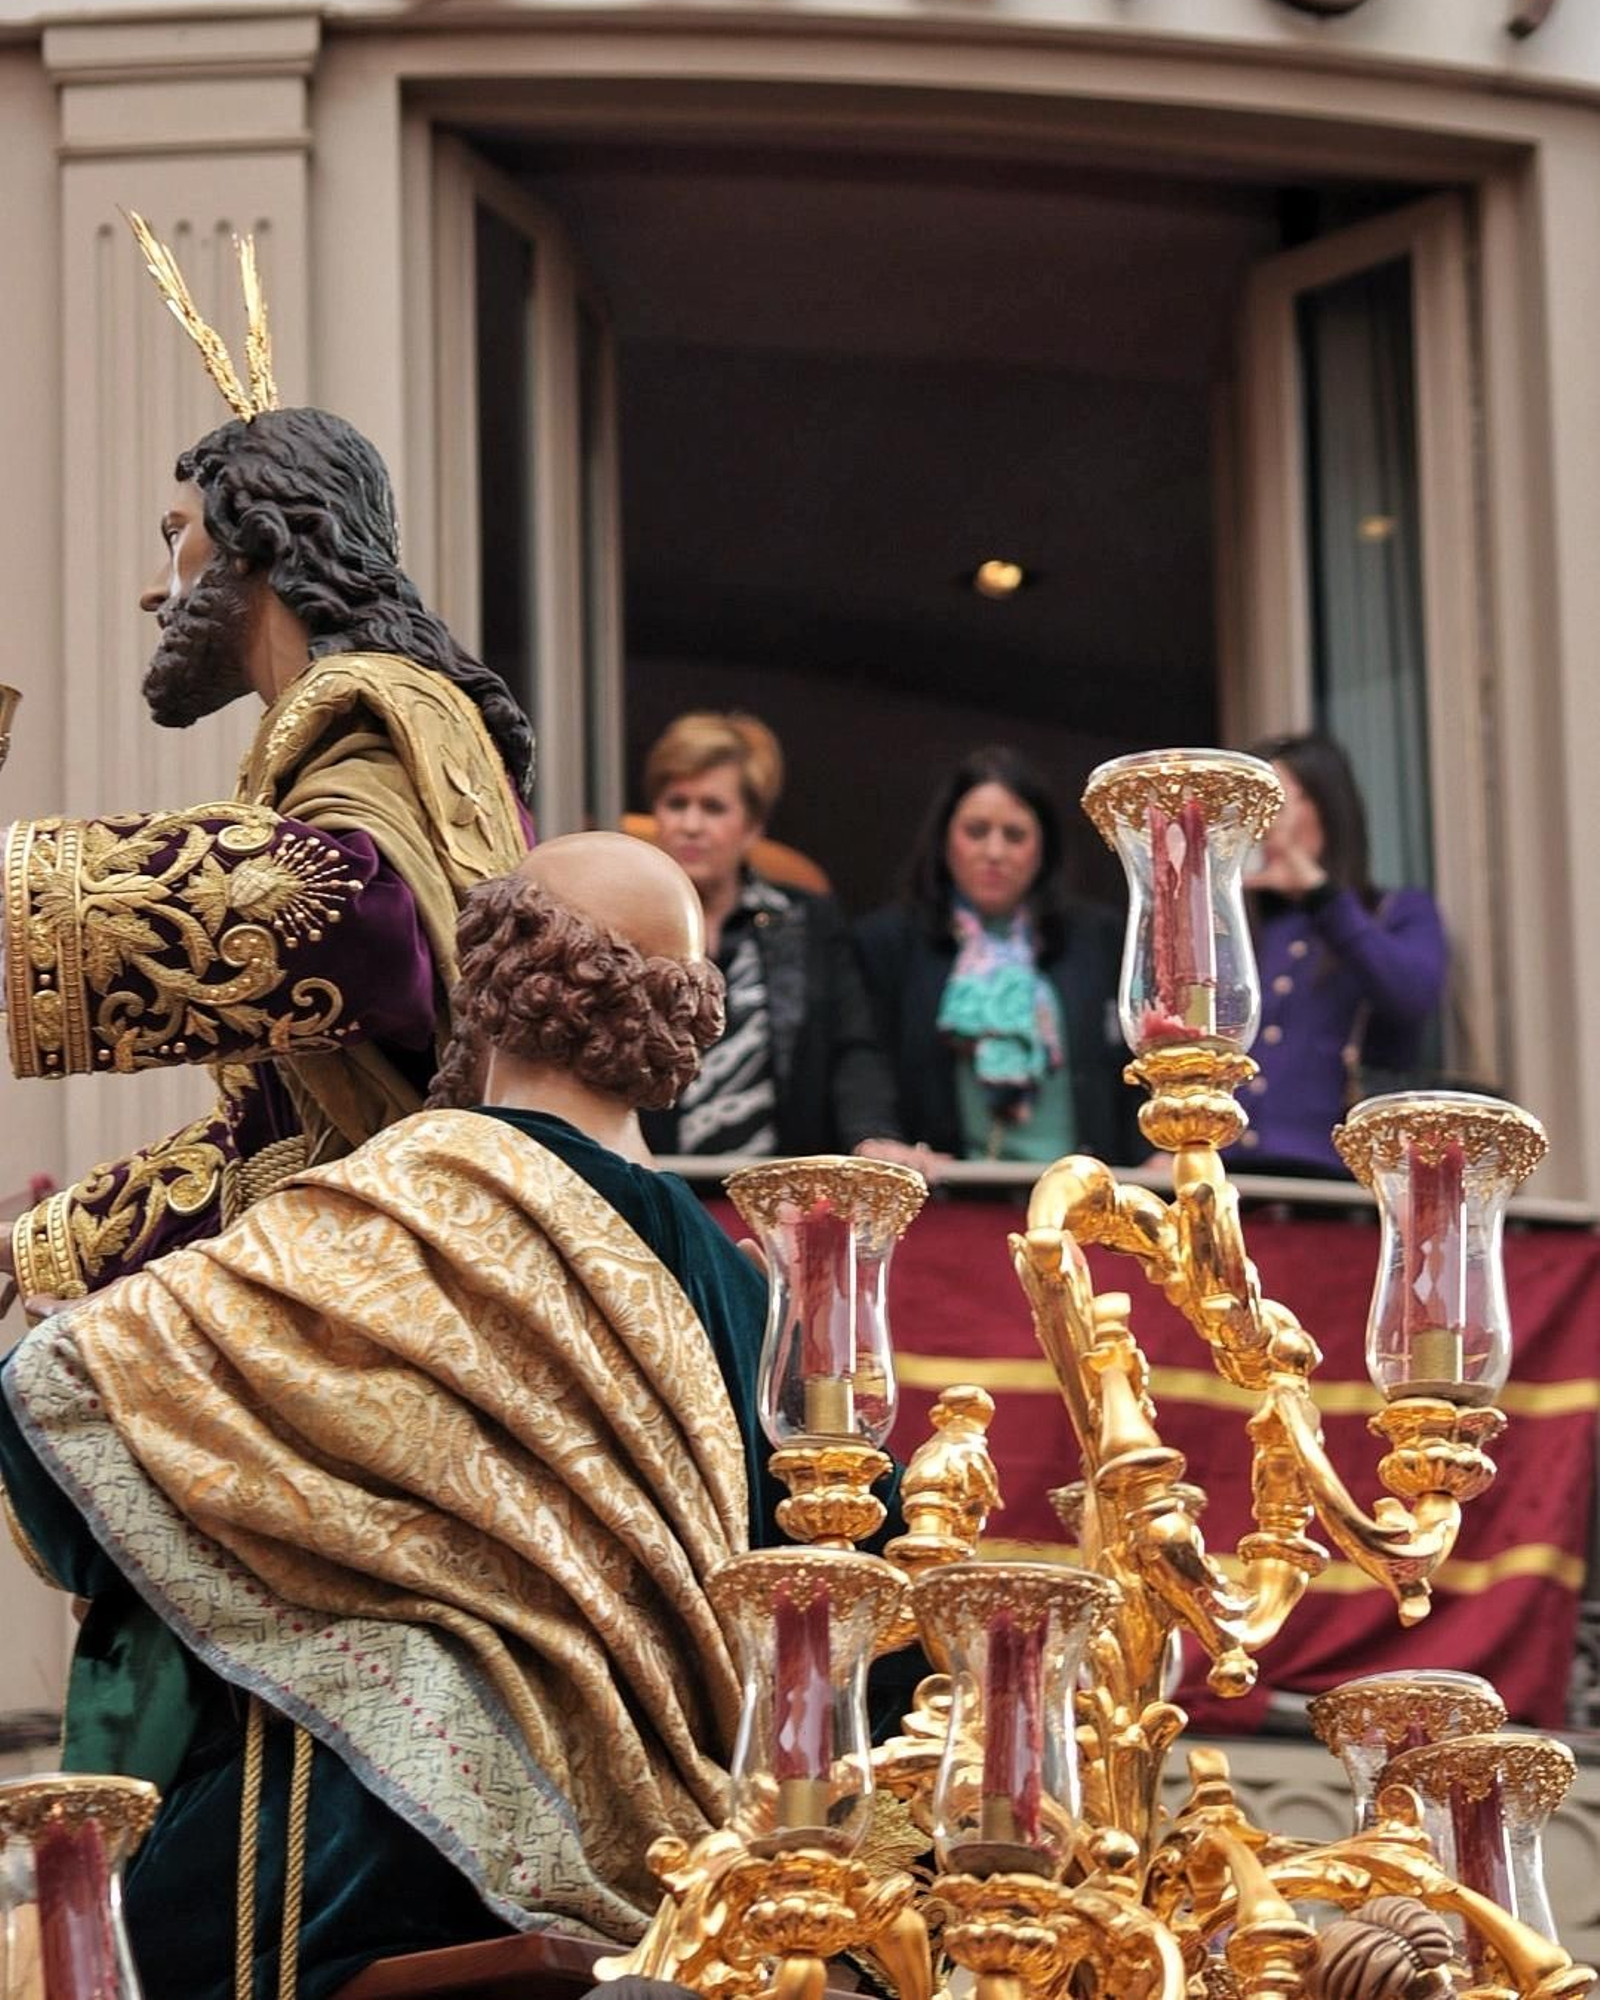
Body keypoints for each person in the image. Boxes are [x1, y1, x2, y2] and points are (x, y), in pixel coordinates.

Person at [0, 834, 769, 1999]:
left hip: (399, 1836)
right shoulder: (747, 1283)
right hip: (700, 1866)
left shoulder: (429, 1182)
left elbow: (79, 1418)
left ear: (493, 979)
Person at [1, 216, 532, 1310]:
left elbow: (370, 929)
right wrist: (44, 1245)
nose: (157, 587)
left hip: (392, 1287)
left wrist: (41, 900)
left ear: (257, 540)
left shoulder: (372, 721)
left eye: (174, 534)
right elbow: (283, 1137)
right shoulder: (391, 722)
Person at [638, 711, 914, 1164]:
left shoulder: (807, 922)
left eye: (712, 807)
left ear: (752, 827)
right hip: (654, 1189)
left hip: (778, 1198)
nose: (690, 824)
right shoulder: (625, 921)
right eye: (675, 802)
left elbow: (852, 1048)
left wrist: (872, 1135)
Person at [854, 746, 1135, 1167]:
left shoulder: (1099, 937)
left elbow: (1136, 1065)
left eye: (1015, 835)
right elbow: (863, 1060)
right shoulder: (887, 941)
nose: (995, 852)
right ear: (945, 838)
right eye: (976, 830)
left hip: (1081, 1199)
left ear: (1044, 849)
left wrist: (1155, 1153)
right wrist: (878, 1139)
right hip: (950, 1200)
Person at [1240, 731, 1449, 1176]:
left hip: (1336, 1182)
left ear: (1327, 807)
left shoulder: (1394, 912)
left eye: (1281, 801)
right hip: (1228, 1176)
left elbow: (1410, 995)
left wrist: (1321, 895)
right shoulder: (1242, 924)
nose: (1270, 824)